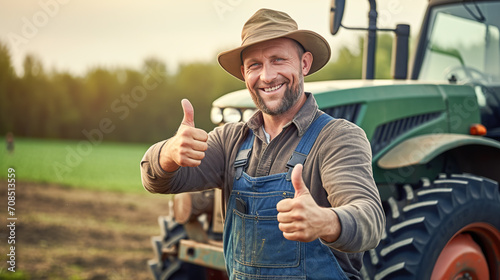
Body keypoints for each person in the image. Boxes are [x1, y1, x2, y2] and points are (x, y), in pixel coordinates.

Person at [141, 8, 385, 280]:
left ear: (304, 63)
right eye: (255, 65)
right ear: (245, 73)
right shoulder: (230, 141)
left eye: (278, 59)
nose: (267, 76)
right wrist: (169, 153)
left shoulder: (338, 137)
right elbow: (158, 181)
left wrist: (326, 221)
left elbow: (370, 218)